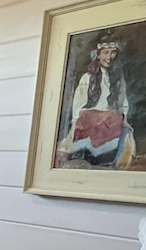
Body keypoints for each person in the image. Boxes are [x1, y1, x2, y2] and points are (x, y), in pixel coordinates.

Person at [57, 34, 135, 168]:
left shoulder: (118, 80)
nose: (109, 57)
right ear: (98, 55)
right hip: (89, 123)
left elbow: (123, 104)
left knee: (126, 135)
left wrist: (122, 118)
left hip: (111, 124)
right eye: (105, 53)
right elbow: (78, 107)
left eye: (113, 53)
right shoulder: (87, 78)